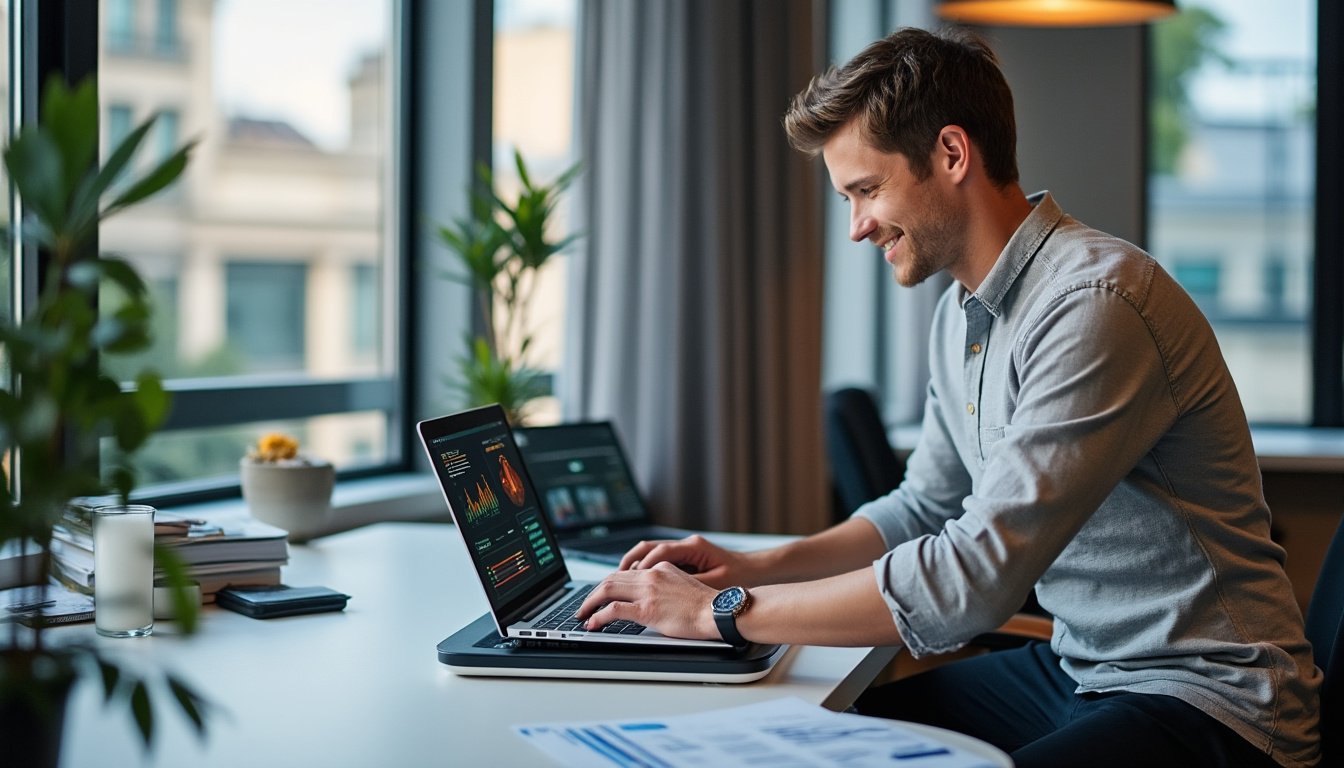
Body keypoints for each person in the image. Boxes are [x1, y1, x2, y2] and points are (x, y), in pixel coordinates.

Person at [576, 26, 1320, 767]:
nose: (858, 227)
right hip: (1081, 668)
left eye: (867, 190)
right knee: (829, 736)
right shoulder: (961, 316)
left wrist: (721, 614)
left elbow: (973, 578)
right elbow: (922, 509)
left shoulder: (1095, 304)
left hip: (1208, 697)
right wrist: (749, 568)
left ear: (952, 154)